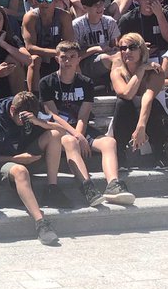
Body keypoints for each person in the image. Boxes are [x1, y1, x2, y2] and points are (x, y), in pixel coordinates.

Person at [38, 42, 135, 207]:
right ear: (56, 59)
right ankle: (87, 187)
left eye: (72, 57)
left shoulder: (86, 82)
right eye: (63, 57)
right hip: (59, 129)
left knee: (109, 142)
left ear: (78, 59)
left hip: (79, 127)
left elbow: (83, 115)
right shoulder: (46, 82)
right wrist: (77, 136)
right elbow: (53, 116)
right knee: (71, 142)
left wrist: (80, 134)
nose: (68, 61)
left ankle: (113, 185)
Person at [0, 91, 60, 246]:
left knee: (55, 135)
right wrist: (15, 159)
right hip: (3, 163)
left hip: (26, 156)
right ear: (12, 110)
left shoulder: (32, 113)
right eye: (22, 118)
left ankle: (52, 189)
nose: (25, 122)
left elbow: (62, 132)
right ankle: (41, 223)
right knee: (20, 171)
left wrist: (39, 122)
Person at [109, 33, 168, 169]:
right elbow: (127, 94)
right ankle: (120, 155)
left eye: (132, 47)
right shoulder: (117, 72)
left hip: (151, 116)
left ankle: (160, 154)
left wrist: (141, 126)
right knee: (122, 103)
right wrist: (141, 70)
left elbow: (147, 97)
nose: (127, 51)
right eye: (123, 48)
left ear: (142, 50)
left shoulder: (156, 71)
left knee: (153, 105)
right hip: (127, 117)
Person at [22, 0, 74, 92]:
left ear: (56, 1)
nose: (44, 3)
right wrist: (56, 52)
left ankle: (72, 91)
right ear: (36, 1)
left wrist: (59, 54)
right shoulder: (30, 17)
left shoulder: (64, 16)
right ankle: (34, 95)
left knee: (72, 57)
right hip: (38, 55)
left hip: (57, 56)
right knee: (35, 59)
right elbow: (30, 47)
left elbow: (69, 44)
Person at [118, 0, 168, 64]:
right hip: (136, 56)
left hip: (161, 55)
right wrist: (139, 48)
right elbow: (120, 45)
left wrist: (159, 15)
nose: (148, 1)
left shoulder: (165, 14)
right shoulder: (127, 19)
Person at [71, 0, 120, 87]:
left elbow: (115, 45)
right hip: (84, 62)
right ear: (85, 7)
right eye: (95, 5)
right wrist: (95, 49)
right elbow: (73, 56)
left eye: (101, 3)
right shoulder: (77, 25)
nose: (99, 7)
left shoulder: (110, 22)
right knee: (109, 58)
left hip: (107, 58)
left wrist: (114, 48)